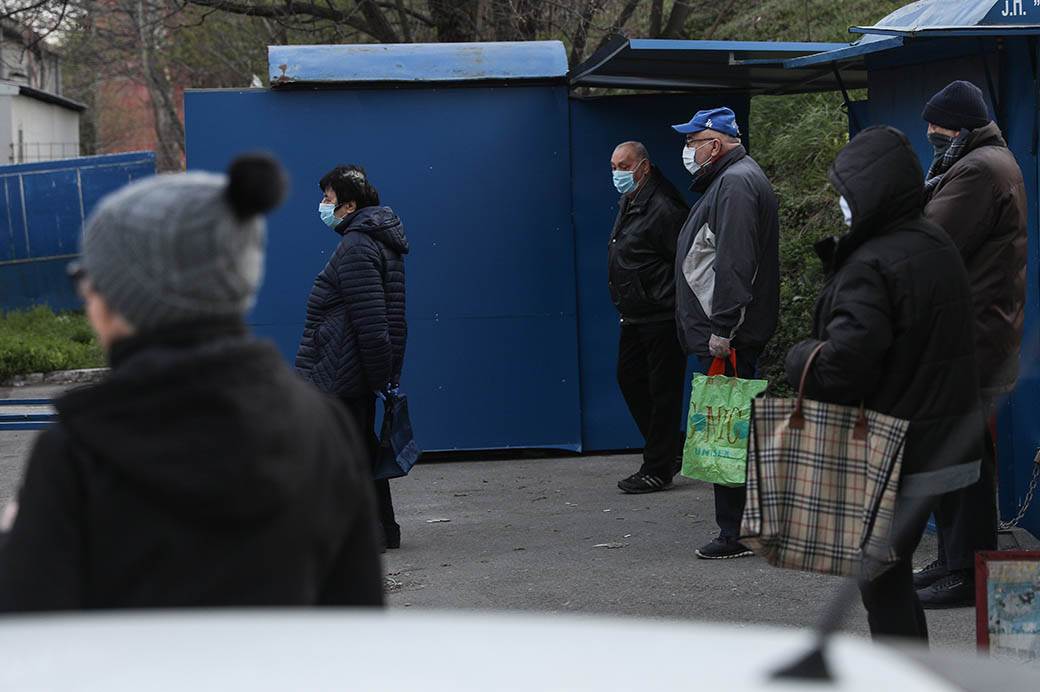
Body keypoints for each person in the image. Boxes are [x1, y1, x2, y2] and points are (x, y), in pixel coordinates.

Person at [0, 155, 385, 611]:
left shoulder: (76, 452)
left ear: (126, 297)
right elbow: (357, 618)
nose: (84, 291)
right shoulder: (322, 427)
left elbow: (33, 637)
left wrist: (14, 546)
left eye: (90, 276)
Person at [786, 126, 983, 640]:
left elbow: (842, 368)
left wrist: (799, 357)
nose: (841, 203)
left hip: (895, 448)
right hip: (944, 442)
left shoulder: (872, 263)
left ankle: (905, 673)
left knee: (879, 577)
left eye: (845, 192)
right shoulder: (933, 242)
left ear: (869, 192)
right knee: (886, 571)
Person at [912, 80, 1028, 608]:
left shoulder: (979, 169)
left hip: (971, 337)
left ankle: (967, 568)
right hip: (975, 334)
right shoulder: (982, 162)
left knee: (964, 459)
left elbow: (930, 240)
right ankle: (956, 558)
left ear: (959, 128)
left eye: (937, 129)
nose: (931, 136)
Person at [672, 107, 780, 559]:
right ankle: (744, 527)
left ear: (714, 144)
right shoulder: (734, 179)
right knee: (735, 429)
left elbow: (735, 262)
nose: (689, 150)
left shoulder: (735, 184)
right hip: (731, 330)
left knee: (727, 431)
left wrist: (723, 328)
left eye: (693, 141)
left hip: (729, 336)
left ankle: (734, 533)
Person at [296, 165, 408, 550]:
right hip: (352, 371)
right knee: (360, 449)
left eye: (328, 199)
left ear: (349, 205)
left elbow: (372, 321)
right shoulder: (376, 240)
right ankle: (382, 530)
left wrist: (380, 378)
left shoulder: (358, 245)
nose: (322, 206)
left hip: (341, 372)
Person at [608, 141, 690, 494]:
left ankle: (657, 467)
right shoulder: (633, 199)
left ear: (643, 166)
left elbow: (687, 260)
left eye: (623, 166)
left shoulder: (663, 205)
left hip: (661, 314)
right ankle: (668, 448)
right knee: (630, 379)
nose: (617, 173)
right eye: (613, 166)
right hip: (636, 313)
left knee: (663, 390)